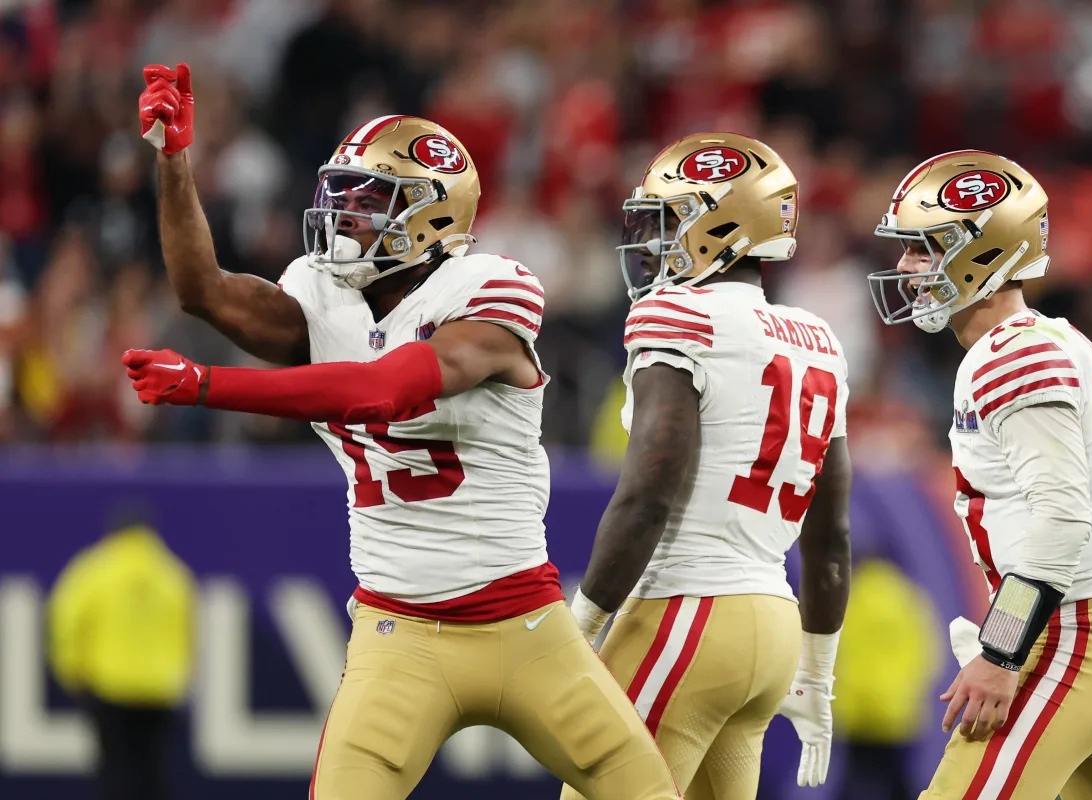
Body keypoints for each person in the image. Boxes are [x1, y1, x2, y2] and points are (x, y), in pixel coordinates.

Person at [127, 62, 681, 800]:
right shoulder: (321, 294)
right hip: (396, 634)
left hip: (523, 623)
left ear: (434, 217)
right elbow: (204, 292)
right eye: (341, 194)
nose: (345, 214)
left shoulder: (488, 289)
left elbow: (383, 390)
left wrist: (206, 384)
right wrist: (174, 160)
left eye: (371, 200)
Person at [868, 149, 1092, 799]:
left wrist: (1001, 649)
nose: (904, 266)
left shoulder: (1012, 353)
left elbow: (1062, 517)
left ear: (982, 252)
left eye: (923, 248)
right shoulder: (1044, 340)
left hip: (1072, 638)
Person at [563, 132, 853, 799]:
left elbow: (649, 493)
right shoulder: (820, 339)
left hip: (687, 609)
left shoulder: (677, 315)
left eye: (669, 221)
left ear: (720, 227)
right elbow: (831, 535)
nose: (653, 240)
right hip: (773, 623)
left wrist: (578, 627)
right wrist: (817, 670)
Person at [47, 512, 196, 800]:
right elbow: (186, 631)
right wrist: (178, 677)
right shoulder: (171, 573)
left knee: (116, 769)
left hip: (111, 685)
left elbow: (68, 621)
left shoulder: (95, 570)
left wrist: (72, 672)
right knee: (153, 769)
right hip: (158, 689)